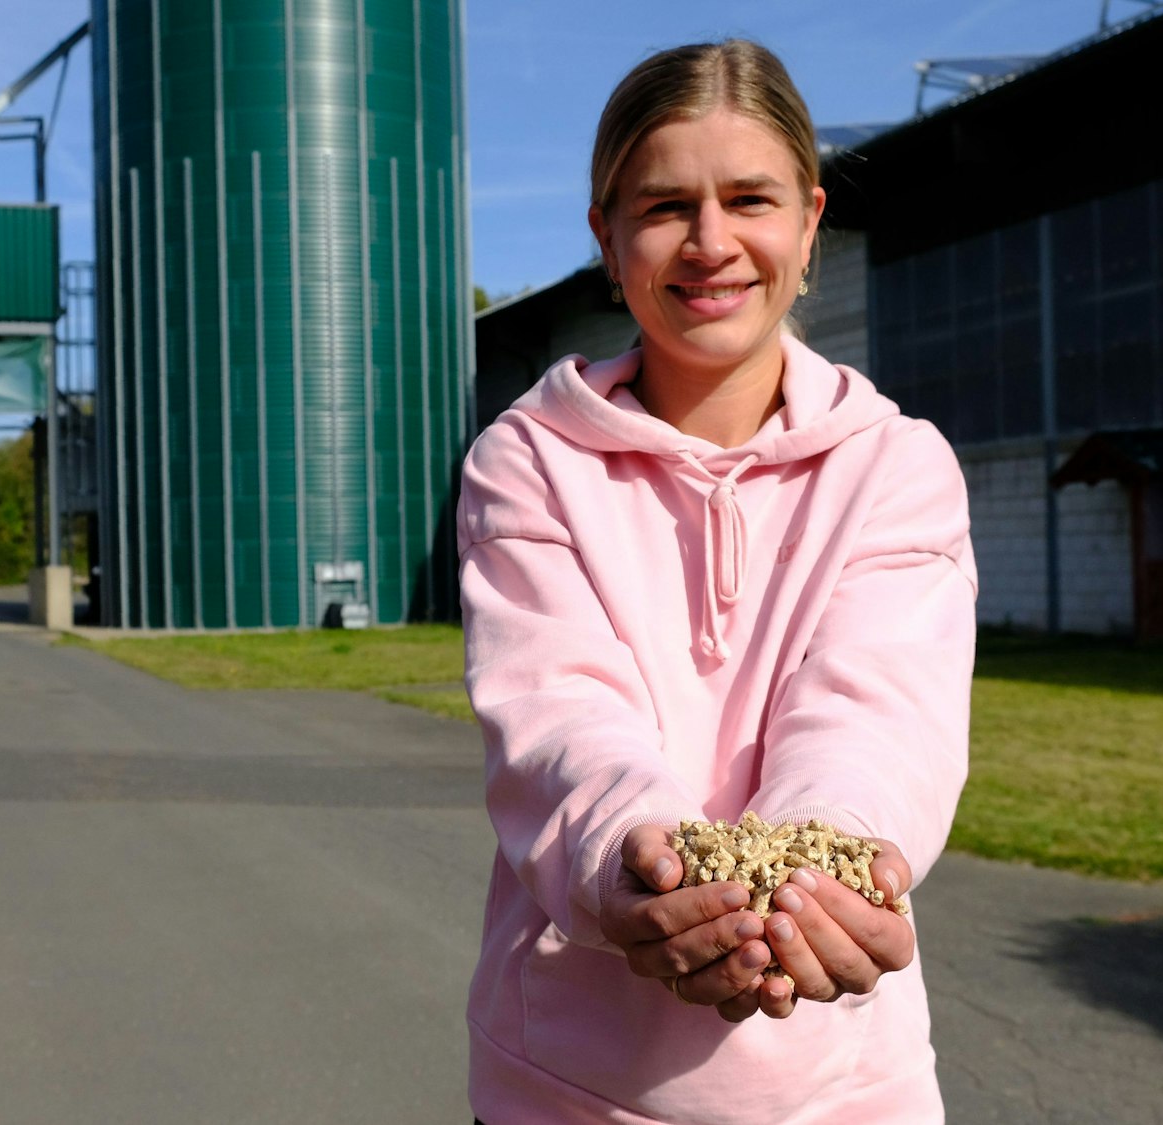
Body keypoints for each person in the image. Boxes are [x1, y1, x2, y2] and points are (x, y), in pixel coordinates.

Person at [459, 40, 977, 1125]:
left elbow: (877, 709)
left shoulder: (897, 464)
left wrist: (817, 870)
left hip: (843, 1092)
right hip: (565, 1089)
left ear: (808, 223)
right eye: (663, 207)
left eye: (749, 199)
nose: (709, 242)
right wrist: (634, 856)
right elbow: (558, 710)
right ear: (605, 238)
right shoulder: (527, 459)